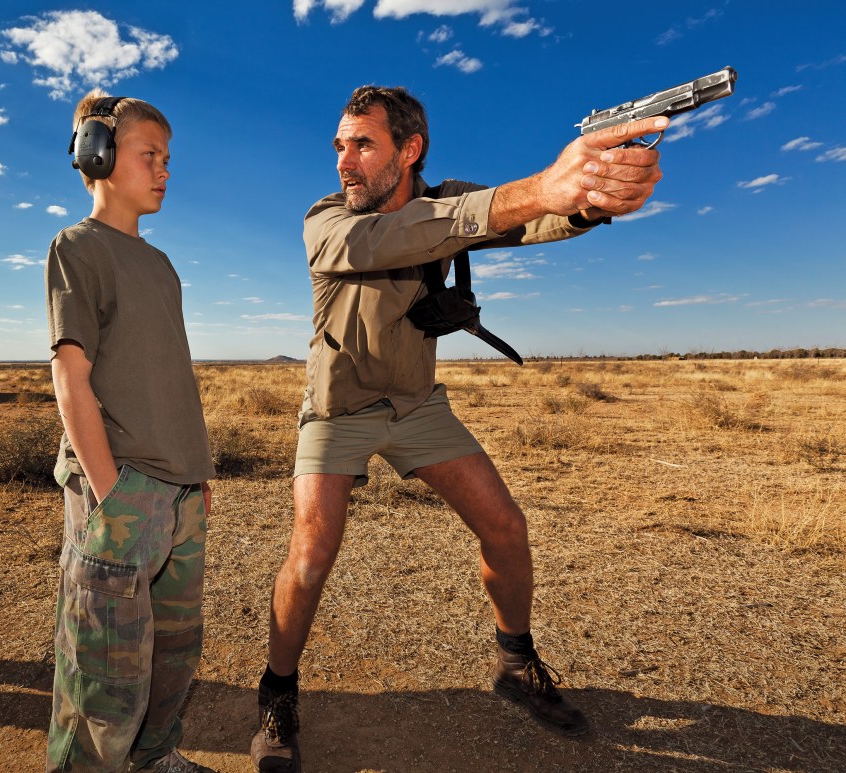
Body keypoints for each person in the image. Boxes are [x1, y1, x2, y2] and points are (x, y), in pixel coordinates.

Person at [250, 86, 668, 771]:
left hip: (416, 404)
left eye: (361, 144)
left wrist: (593, 196)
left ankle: (514, 662)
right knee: (312, 549)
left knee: (506, 526)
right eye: (339, 145)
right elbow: (420, 231)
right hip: (338, 407)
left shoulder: (446, 198)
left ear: (408, 150)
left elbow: (529, 219)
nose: (343, 161)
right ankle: (278, 694)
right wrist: (542, 186)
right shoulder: (326, 220)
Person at [45, 90, 217, 773]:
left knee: (172, 652)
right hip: (121, 490)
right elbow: (71, 379)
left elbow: (166, 376)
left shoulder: (163, 265)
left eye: (168, 159)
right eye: (150, 155)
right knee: (103, 666)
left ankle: (153, 760)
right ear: (101, 154)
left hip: (179, 493)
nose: (165, 170)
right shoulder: (77, 249)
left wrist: (196, 475)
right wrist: (109, 489)